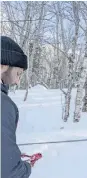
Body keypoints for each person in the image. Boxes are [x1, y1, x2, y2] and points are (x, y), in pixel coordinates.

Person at [1, 36, 31, 178]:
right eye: (18, 73)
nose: (18, 81)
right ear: (3, 66)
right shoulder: (3, 104)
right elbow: (8, 172)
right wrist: (26, 167)